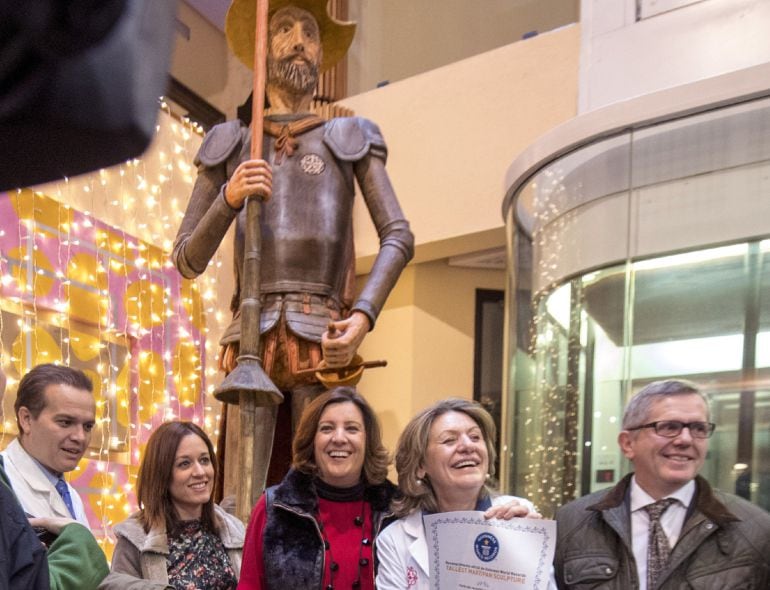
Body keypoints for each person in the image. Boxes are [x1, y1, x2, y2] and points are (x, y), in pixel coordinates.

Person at [172, 0, 414, 493]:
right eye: (284, 28)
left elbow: (398, 235)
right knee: (242, 493)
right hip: (250, 335)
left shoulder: (349, 136)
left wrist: (363, 316)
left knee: (325, 485)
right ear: (262, 50)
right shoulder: (232, 141)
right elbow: (186, 258)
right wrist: (229, 197)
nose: (300, 39)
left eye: (310, 31)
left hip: (320, 331)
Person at [552, 379, 770, 589]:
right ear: (628, 444)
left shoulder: (755, 529)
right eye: (668, 427)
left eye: (698, 428)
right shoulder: (572, 523)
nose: (685, 439)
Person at [376, 398, 548, 590]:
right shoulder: (395, 539)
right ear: (421, 465)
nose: (468, 446)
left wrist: (530, 552)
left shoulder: (520, 516)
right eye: (449, 440)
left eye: (475, 437)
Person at [238, 386, 398, 589]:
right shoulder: (273, 508)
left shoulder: (395, 510)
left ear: (368, 440)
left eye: (352, 428)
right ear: (311, 440)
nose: (339, 438)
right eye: (327, 428)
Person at [101, 421, 245, 590]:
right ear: (162, 473)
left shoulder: (235, 530)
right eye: (184, 464)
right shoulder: (135, 539)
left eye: (205, 460)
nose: (200, 472)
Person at [1, 363, 95, 527]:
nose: (80, 437)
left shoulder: (70, 495)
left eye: (87, 426)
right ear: (26, 419)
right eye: (65, 422)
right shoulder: (5, 481)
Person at [0, 455, 109, 590]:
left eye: (87, 431)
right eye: (64, 431)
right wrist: (79, 540)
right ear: (26, 431)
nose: (79, 436)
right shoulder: (8, 479)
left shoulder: (71, 494)